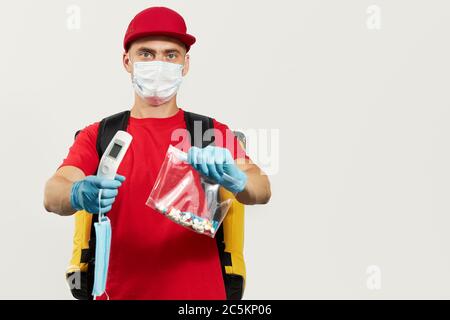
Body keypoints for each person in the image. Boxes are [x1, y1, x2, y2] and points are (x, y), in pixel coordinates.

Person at [44, 6, 271, 300]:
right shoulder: (102, 135)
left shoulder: (209, 132)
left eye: (171, 55)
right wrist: (76, 192)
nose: (159, 64)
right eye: (146, 54)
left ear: (185, 64)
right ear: (128, 61)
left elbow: (261, 189)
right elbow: (52, 194)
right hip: (117, 294)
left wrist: (238, 179)